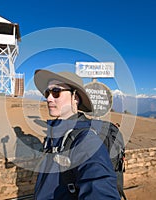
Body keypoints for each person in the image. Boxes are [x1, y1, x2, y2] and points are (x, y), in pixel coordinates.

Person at [33, 69, 120, 200]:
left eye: (56, 92)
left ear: (75, 98)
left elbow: (100, 185)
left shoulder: (85, 138)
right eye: (47, 92)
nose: (49, 98)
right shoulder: (55, 134)